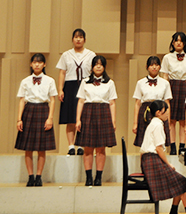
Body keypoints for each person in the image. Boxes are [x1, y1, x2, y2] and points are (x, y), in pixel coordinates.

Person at [140, 100, 186, 214]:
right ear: (159, 112)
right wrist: (168, 164)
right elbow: (159, 149)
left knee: (181, 183)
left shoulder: (153, 123)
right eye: (166, 111)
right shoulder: (158, 125)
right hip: (153, 161)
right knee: (183, 182)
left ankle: (173, 211)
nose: (168, 114)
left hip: (148, 161)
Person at [15, 54, 57, 187]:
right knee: (28, 148)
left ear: (44, 65)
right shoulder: (25, 81)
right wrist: (19, 119)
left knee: (41, 148)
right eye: (34, 62)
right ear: (31, 64)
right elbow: (22, 100)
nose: (37, 64)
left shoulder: (50, 80)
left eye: (40, 62)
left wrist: (50, 118)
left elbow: (53, 100)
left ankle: (39, 176)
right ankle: (30, 176)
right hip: (29, 111)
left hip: (43, 110)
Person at [75, 55, 117, 186]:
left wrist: (113, 121)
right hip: (88, 113)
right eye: (96, 64)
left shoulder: (110, 82)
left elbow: (112, 103)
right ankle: (88, 177)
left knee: (101, 149)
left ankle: (99, 177)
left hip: (103, 113)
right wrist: (78, 120)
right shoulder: (85, 81)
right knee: (87, 148)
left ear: (104, 67)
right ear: (92, 67)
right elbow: (81, 101)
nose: (98, 66)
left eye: (101, 64)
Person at [56, 28, 95, 156]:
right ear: (72, 39)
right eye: (76, 37)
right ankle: (71, 146)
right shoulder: (66, 55)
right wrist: (60, 89)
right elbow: (62, 72)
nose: (78, 39)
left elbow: (95, 73)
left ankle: (81, 145)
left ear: (85, 40)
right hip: (70, 85)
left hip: (86, 85)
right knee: (71, 118)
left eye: (81, 37)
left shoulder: (91, 54)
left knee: (84, 117)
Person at [160, 32, 186, 155]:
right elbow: (165, 75)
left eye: (181, 41)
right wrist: (165, 91)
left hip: (185, 87)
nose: (178, 43)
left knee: (183, 120)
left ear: (185, 43)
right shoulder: (167, 57)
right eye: (176, 40)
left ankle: (182, 146)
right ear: (172, 42)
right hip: (171, 86)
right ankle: (172, 146)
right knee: (171, 119)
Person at [132, 56, 172, 147]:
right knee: (145, 141)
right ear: (147, 67)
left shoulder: (165, 83)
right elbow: (137, 103)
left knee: (159, 141)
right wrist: (135, 123)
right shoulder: (140, 82)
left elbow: (167, 103)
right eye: (151, 65)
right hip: (146, 111)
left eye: (156, 65)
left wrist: (168, 122)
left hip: (160, 111)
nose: (154, 67)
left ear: (160, 67)